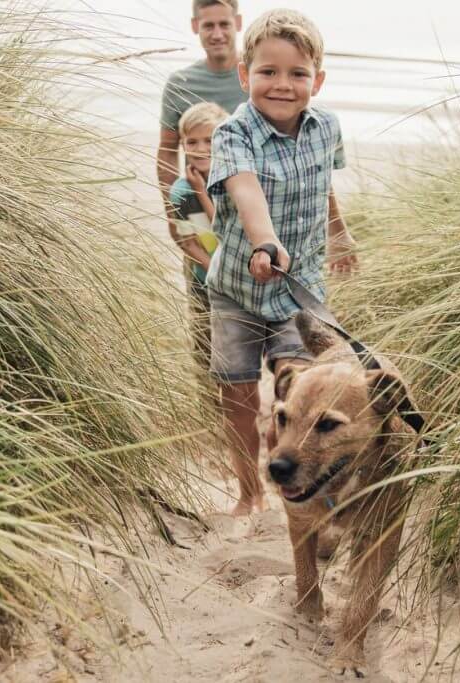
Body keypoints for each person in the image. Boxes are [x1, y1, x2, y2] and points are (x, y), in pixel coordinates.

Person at [204, 9, 357, 516]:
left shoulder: (326, 127)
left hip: (300, 287)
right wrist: (264, 242)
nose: (283, 85)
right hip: (237, 288)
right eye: (268, 72)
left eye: (298, 74)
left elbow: (323, 187)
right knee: (240, 393)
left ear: (318, 79)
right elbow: (245, 191)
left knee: (306, 384)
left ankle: (311, 481)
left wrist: (339, 233)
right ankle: (249, 492)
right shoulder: (233, 134)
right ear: (245, 75)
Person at [157, 0, 247, 255]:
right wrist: (172, 213)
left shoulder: (256, 76)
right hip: (195, 210)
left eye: (224, 24)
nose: (217, 34)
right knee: (201, 285)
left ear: (238, 23)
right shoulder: (181, 83)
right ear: (196, 26)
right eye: (208, 25)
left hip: (249, 210)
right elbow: (167, 150)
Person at [168, 102, 229, 378]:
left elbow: (226, 230)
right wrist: (214, 273)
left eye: (210, 140)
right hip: (203, 278)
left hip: (239, 276)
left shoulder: (235, 182)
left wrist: (203, 192)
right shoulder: (181, 192)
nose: (200, 148)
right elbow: (189, 243)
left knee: (237, 348)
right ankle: (207, 407)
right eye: (191, 141)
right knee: (205, 345)